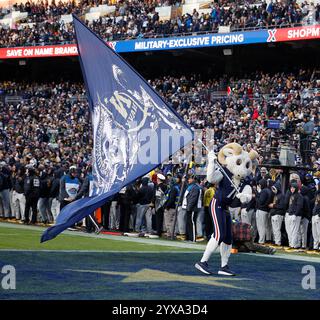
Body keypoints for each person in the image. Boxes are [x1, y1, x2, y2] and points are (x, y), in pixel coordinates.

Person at [284, 180, 303, 250]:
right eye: (291, 188)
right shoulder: (291, 195)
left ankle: (293, 245)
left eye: (293, 188)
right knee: (289, 230)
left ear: (296, 188)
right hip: (290, 214)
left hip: (296, 215)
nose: (292, 189)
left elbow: (299, 206)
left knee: (294, 231)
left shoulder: (299, 196)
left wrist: (295, 214)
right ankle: (291, 244)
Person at [184, 175, 202, 242]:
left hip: (193, 208)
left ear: (194, 179)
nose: (188, 180)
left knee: (192, 222)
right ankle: (189, 237)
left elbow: (193, 199)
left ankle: (193, 238)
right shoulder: (192, 186)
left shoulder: (195, 187)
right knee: (189, 222)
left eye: (190, 179)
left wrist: (189, 207)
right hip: (190, 207)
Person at [164, 174, 181, 239]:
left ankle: (170, 235)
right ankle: (172, 234)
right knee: (173, 222)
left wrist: (166, 206)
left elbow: (171, 199)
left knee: (168, 222)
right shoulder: (177, 188)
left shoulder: (173, 189)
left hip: (171, 208)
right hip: (175, 207)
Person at [256, 178, 273, 244]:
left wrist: (256, 196)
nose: (259, 186)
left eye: (259, 184)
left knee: (261, 226)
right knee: (265, 226)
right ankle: (266, 239)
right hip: (266, 210)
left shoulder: (264, 191)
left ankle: (261, 240)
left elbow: (260, 201)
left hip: (261, 210)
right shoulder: (268, 190)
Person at [269, 181, 285, 246]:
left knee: (277, 229)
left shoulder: (281, 196)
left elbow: (282, 206)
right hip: (274, 213)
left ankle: (278, 242)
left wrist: (273, 205)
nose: (273, 190)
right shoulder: (276, 195)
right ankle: (275, 241)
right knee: (274, 229)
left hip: (278, 214)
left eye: (274, 189)